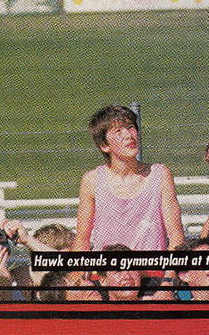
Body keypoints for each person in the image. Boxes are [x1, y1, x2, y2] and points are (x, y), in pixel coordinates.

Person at [72, 104, 184, 252]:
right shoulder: (92, 180)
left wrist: (170, 274)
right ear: (104, 145)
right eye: (118, 131)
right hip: (109, 271)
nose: (129, 135)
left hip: (152, 270)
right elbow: (82, 239)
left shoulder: (160, 174)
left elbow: (176, 235)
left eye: (131, 127)